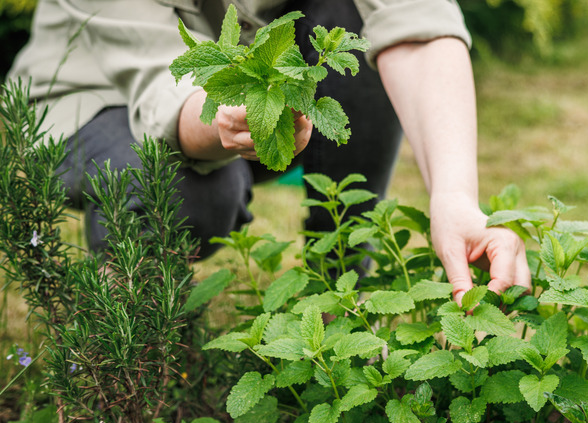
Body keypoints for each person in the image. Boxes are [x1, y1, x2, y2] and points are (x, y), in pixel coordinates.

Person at [8, 0, 530, 304]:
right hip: (88, 98)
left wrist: (456, 198)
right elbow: (164, 85)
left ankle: (341, 291)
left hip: (255, 99)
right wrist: (234, 120)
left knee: (351, 25)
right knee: (188, 197)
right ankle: (129, 335)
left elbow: (413, 22)